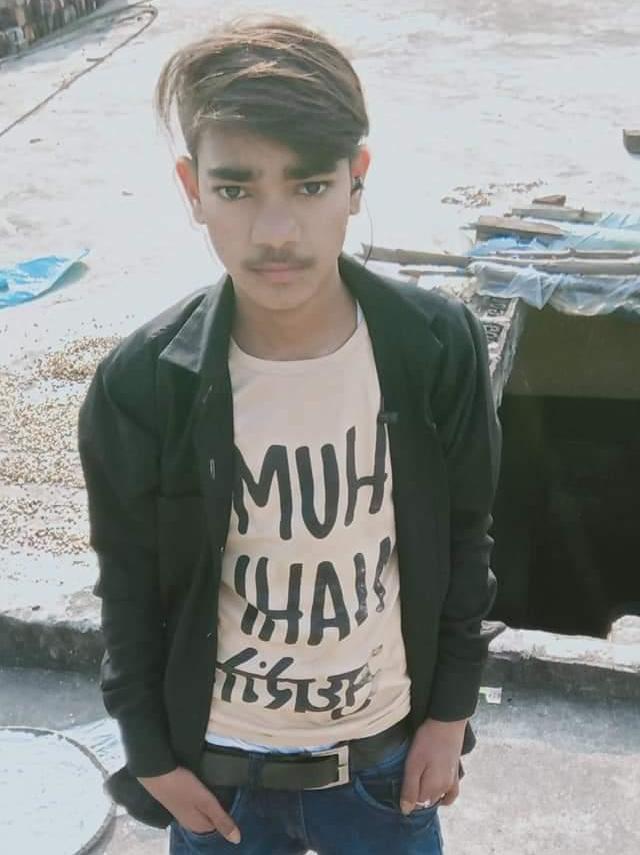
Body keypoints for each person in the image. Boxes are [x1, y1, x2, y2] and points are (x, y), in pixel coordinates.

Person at [78, 15, 502, 855]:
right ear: (192, 188)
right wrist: (151, 756)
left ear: (356, 180)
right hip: (219, 775)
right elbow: (127, 583)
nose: (275, 232)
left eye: (308, 186)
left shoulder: (433, 347)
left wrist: (450, 714)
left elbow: (466, 538)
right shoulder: (143, 385)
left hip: (383, 764)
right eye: (237, 190)